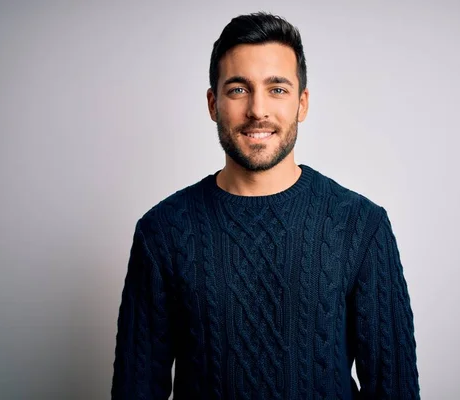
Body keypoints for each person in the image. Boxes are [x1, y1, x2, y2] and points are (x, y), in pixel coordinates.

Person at [111, 11, 419, 400]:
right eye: (239, 89)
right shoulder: (163, 232)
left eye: (277, 89)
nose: (258, 109)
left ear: (302, 104)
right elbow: (136, 389)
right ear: (213, 103)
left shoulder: (361, 225)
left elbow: (394, 390)